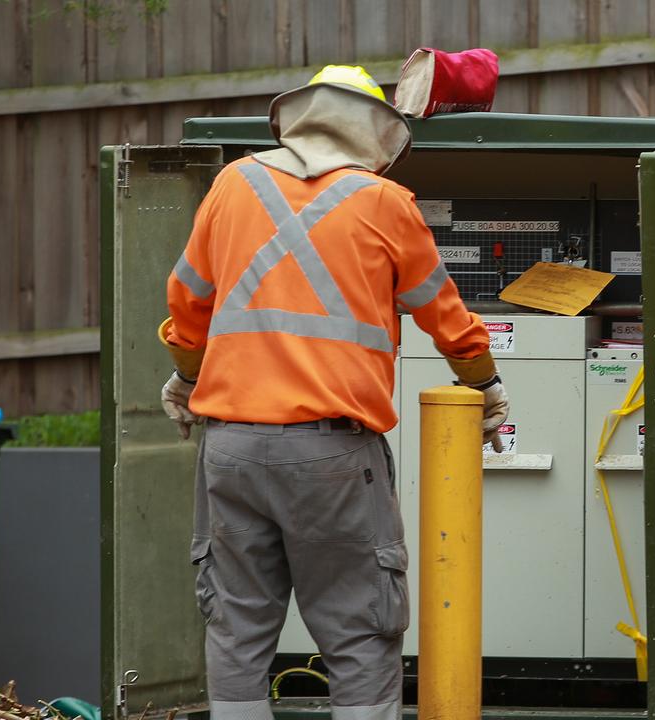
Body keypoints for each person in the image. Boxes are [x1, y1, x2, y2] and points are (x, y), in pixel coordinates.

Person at [157, 65, 509, 720]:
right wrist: (483, 385)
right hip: (334, 459)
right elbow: (446, 318)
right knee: (359, 635)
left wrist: (184, 374)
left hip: (231, 450)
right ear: (377, 131)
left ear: (298, 118)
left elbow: (187, 303)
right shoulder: (385, 203)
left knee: (236, 635)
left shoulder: (233, 184)